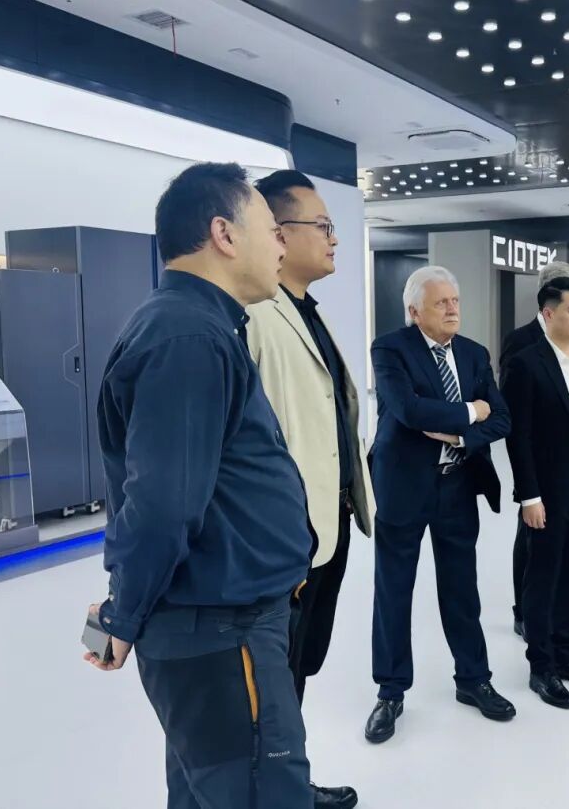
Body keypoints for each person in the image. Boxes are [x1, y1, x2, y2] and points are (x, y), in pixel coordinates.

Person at [84, 162, 319, 808]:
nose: (281, 245)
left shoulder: (200, 324)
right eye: (271, 229)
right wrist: (123, 612)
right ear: (224, 233)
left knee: (208, 790)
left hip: (223, 623)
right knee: (257, 791)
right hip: (221, 629)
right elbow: (161, 503)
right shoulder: (186, 335)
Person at [248, 169, 374, 809]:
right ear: (278, 231)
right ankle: (274, 790)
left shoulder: (306, 312)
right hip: (287, 540)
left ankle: (287, 783)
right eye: (323, 225)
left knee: (298, 667)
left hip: (327, 528)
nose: (334, 237)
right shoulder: (255, 316)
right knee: (271, 680)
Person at [365, 265, 515, 743]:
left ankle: (473, 679)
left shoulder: (473, 353)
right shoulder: (390, 349)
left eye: (455, 300)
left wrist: (459, 435)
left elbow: (503, 417)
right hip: (403, 487)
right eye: (441, 303)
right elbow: (409, 410)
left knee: (461, 588)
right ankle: (390, 692)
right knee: (394, 590)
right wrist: (472, 411)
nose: (453, 309)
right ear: (414, 312)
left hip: (457, 485)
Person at [502, 277, 569, 710]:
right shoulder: (527, 364)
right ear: (549, 313)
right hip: (547, 490)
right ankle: (541, 667)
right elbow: (519, 437)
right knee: (542, 577)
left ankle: (565, 656)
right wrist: (529, 497)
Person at [499, 261, 569, 639]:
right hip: (540, 469)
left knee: (565, 548)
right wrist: (529, 488)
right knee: (530, 542)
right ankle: (524, 613)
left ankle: (557, 612)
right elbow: (514, 417)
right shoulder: (521, 342)